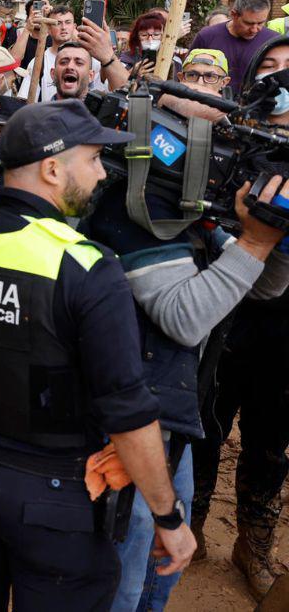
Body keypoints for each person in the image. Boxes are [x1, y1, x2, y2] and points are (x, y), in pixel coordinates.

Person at [0, 100, 196, 611]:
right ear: (52, 169)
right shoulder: (85, 266)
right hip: (51, 496)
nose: (101, 175)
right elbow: (129, 412)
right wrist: (168, 517)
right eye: (94, 159)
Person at [83, 123, 289, 610]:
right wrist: (256, 244)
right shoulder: (137, 199)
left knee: (159, 578)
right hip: (132, 421)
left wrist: (273, 234)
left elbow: (261, 287)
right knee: (125, 579)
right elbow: (185, 319)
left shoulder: (195, 201)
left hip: (172, 412)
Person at [193, 34, 289, 599]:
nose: (280, 82)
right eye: (270, 70)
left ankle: (254, 540)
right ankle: (193, 522)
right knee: (205, 418)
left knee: (271, 437)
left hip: (283, 323)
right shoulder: (229, 145)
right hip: (224, 311)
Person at [16, 5, 127, 100]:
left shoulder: (95, 58)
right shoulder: (39, 61)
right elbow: (25, 100)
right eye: (58, 23)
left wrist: (108, 55)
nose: (63, 27)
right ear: (53, 73)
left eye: (79, 63)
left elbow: (124, 91)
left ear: (91, 75)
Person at [188, 0, 277, 80]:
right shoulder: (206, 36)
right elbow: (189, 74)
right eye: (248, 23)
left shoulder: (273, 41)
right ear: (234, 14)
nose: (254, 29)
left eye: (260, 23)